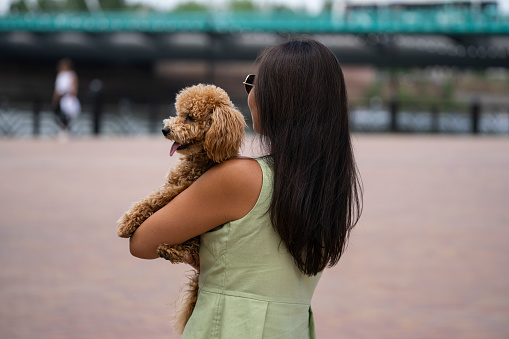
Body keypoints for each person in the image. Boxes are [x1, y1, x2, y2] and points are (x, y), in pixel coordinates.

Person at [129, 38, 363, 338]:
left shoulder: (239, 177)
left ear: (278, 99)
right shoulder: (329, 187)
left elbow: (141, 242)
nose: (250, 95)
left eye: (254, 84)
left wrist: (199, 253)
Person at [52, 58, 80, 135]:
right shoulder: (60, 75)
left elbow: (73, 87)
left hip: (67, 98)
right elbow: (58, 88)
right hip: (60, 98)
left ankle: (66, 129)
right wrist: (56, 98)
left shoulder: (71, 74)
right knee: (58, 114)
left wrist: (70, 94)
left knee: (67, 115)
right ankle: (64, 128)